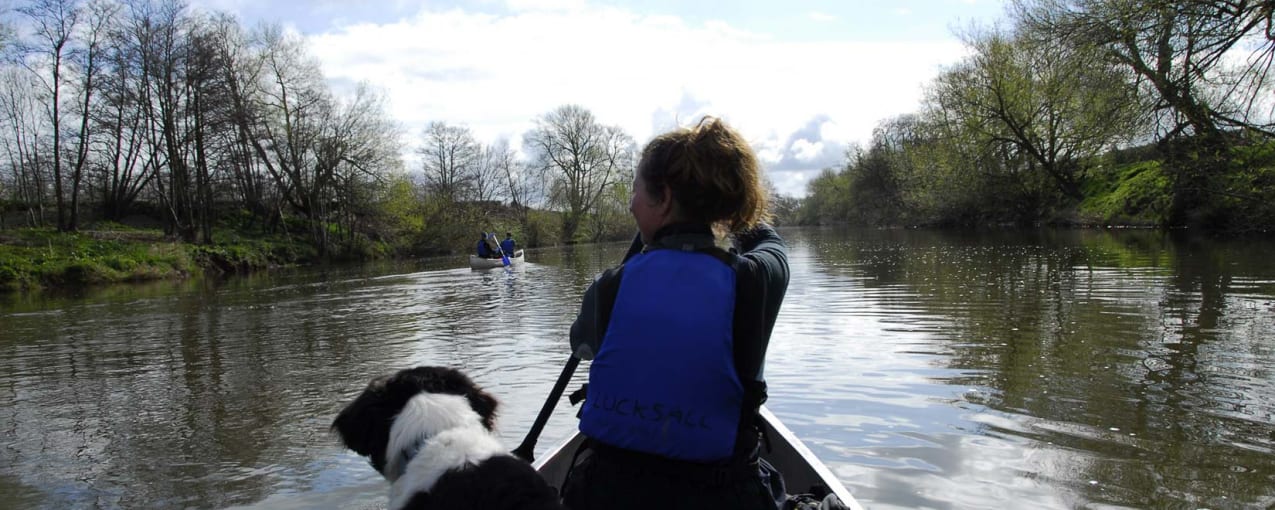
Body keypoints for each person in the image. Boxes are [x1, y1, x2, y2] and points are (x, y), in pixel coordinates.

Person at [562, 116, 789, 510]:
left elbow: (582, 344)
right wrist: (726, 209)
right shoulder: (755, 280)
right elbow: (769, 241)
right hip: (720, 496)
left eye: (635, 190)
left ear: (663, 198)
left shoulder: (610, 286)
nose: (631, 203)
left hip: (606, 493)